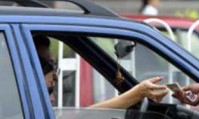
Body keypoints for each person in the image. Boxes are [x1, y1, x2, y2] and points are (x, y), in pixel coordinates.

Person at [34, 35, 168, 108]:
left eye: (55, 65)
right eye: (49, 66)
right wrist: (136, 94)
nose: (56, 77)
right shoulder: (26, 111)